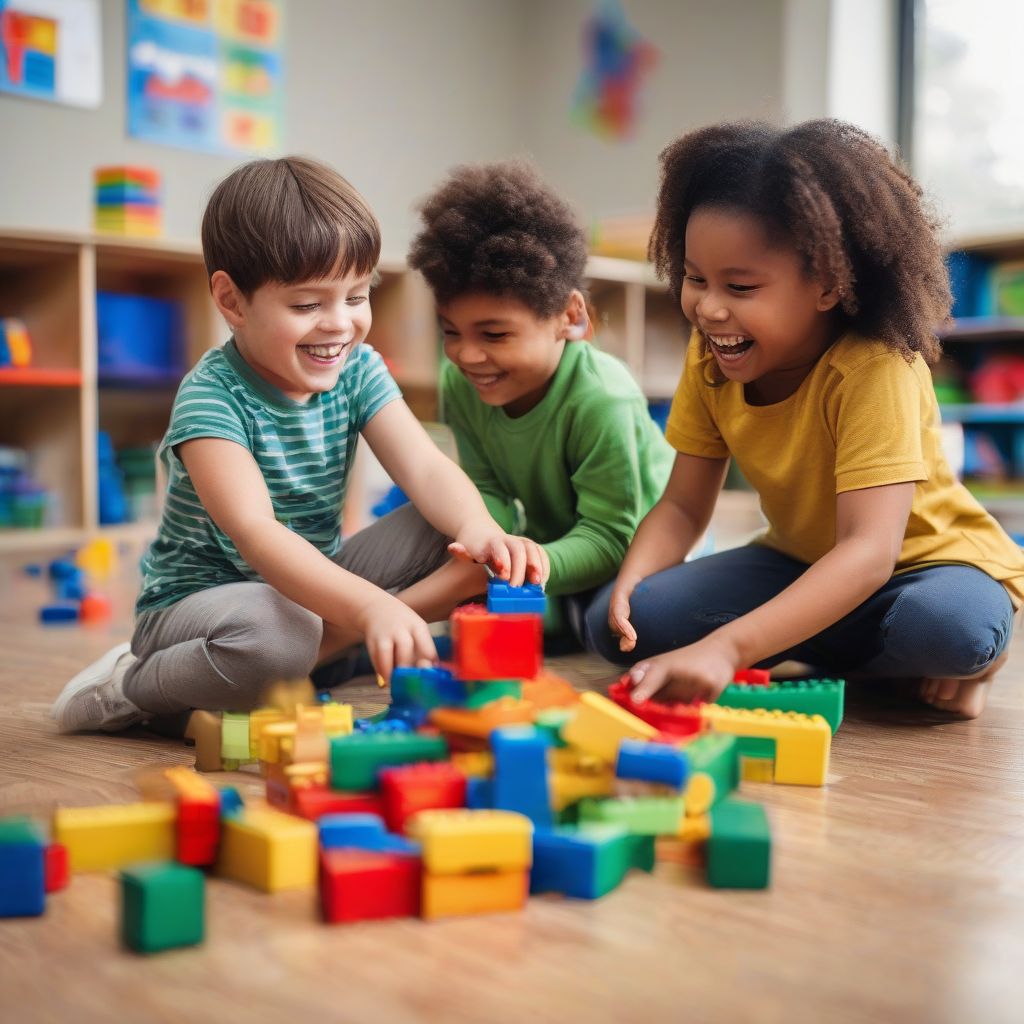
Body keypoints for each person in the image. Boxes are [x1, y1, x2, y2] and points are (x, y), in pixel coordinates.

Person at [53, 156, 546, 734]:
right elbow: (258, 536)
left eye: (356, 296)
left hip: (306, 587)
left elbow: (427, 469)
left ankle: (324, 649)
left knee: (462, 534)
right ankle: (131, 686)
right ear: (233, 302)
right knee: (278, 634)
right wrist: (369, 606)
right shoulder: (211, 397)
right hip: (202, 607)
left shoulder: (358, 368)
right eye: (308, 305)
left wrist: (481, 531)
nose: (339, 324)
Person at [584, 119, 1024, 719]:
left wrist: (728, 646)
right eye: (694, 279)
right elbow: (685, 507)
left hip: (925, 567)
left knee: (950, 631)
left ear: (825, 285)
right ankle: (858, 660)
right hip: (799, 560)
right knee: (623, 623)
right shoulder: (712, 355)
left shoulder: (874, 367)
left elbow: (869, 552)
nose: (709, 309)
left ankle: (959, 656)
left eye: (740, 286)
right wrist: (634, 581)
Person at [407, 160, 674, 645]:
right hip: (553, 554)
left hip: (640, 557)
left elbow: (613, 538)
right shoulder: (458, 383)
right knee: (480, 607)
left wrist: (534, 564)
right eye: (451, 331)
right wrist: (486, 548)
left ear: (569, 317)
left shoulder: (602, 398)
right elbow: (485, 494)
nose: (467, 354)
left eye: (495, 334)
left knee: (619, 625)